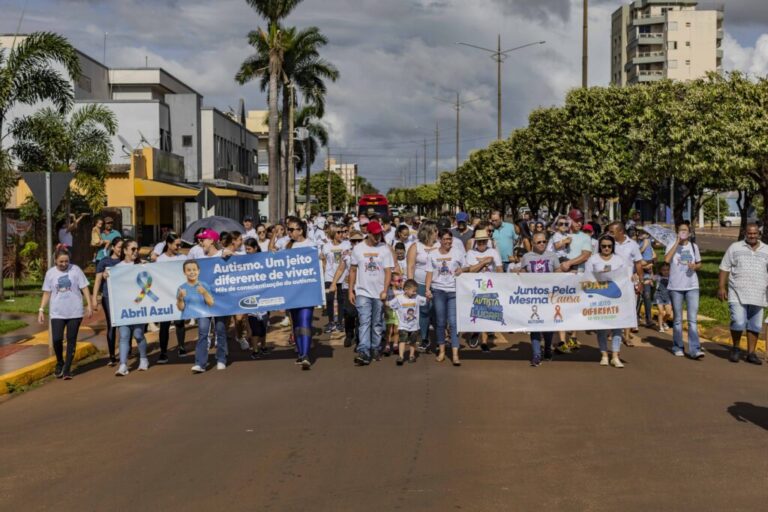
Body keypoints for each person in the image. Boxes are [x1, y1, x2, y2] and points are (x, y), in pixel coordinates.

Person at [718, 223, 768, 364]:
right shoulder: (735, 247)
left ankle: (751, 353)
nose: (752, 236)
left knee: (755, 325)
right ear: (745, 233)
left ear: (759, 234)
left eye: (755, 233)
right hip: (737, 293)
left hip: (759, 294)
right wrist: (721, 287)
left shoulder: (766, 249)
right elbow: (724, 267)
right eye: (749, 233)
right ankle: (736, 348)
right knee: (738, 322)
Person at [39, 248, 93, 380]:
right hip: (57, 313)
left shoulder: (76, 270)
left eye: (66, 261)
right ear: (55, 261)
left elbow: (84, 287)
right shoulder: (50, 273)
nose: (64, 264)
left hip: (75, 312)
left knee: (71, 340)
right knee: (57, 339)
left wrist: (89, 305)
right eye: (61, 262)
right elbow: (47, 292)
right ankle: (60, 362)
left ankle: (67, 369)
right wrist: (41, 309)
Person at [349, 220, 394, 366]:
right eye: (374, 235)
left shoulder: (384, 249)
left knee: (377, 322)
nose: (377, 237)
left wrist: (385, 290)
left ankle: (375, 347)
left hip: (379, 292)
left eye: (379, 234)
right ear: (368, 233)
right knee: (364, 321)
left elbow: (388, 272)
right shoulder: (358, 249)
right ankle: (363, 351)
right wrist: (351, 290)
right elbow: (353, 270)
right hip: (362, 291)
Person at [516, 231, 561, 366]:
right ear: (533, 243)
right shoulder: (527, 257)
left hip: (549, 296)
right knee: (534, 325)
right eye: (539, 242)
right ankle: (536, 354)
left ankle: (547, 348)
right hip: (533, 297)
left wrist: (571, 275)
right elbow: (523, 274)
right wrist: (518, 273)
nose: (542, 244)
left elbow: (559, 273)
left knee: (548, 325)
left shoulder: (552, 256)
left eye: (544, 242)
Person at [586, 235, 629, 368]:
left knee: (617, 327)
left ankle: (615, 356)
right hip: (600, 296)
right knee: (602, 328)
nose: (606, 248)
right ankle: (604, 354)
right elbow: (587, 277)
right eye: (604, 246)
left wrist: (633, 277)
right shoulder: (593, 259)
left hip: (616, 297)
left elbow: (625, 275)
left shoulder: (619, 260)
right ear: (600, 246)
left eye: (609, 246)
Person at [424, 229, 464, 366]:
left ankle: (455, 354)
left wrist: (462, 270)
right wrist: (427, 289)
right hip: (438, 290)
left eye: (450, 239)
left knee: (453, 323)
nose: (448, 241)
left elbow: (466, 267)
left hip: (454, 291)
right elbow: (429, 273)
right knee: (440, 322)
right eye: (445, 239)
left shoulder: (457, 252)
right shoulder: (432, 254)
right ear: (439, 240)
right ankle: (441, 351)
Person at [664, 223, 703, 358]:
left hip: (692, 286)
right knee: (678, 320)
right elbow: (666, 259)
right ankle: (677, 346)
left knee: (692, 320)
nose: (683, 232)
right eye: (681, 230)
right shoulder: (671, 245)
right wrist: (677, 243)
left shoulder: (693, 246)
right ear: (677, 232)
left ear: (689, 233)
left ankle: (695, 349)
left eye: (685, 230)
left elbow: (699, 263)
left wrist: (695, 267)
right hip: (676, 287)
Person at [463, 229, 502, 352]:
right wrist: (484, 262)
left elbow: (499, 269)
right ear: (476, 242)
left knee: (486, 312)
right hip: (474, 286)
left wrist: (500, 283)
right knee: (476, 311)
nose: (482, 244)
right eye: (479, 242)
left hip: (490, 285)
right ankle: (476, 331)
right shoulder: (470, 253)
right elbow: (470, 270)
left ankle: (484, 341)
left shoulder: (493, 252)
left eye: (484, 241)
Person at [285, 218, 317, 370]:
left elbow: (318, 265)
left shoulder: (311, 245)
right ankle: (300, 353)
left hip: (307, 290)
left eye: (292, 229)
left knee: (305, 320)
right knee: (297, 323)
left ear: (301, 230)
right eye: (289, 229)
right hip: (292, 291)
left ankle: (305, 355)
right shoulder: (288, 246)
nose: (290, 232)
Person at [114, 239, 149, 376]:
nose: (136, 251)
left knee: (138, 334)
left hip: (139, 307)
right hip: (123, 307)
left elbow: (149, 283)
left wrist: (148, 267)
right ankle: (123, 365)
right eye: (132, 249)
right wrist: (107, 275)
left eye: (137, 249)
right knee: (124, 335)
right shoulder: (117, 268)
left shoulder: (142, 265)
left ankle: (144, 359)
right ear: (125, 251)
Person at [607, 221, 644, 345]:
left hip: (628, 281)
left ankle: (627, 336)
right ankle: (612, 331)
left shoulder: (632, 245)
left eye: (612, 232)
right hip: (613, 281)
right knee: (613, 307)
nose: (609, 234)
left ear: (621, 232)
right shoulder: (608, 244)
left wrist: (640, 281)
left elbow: (638, 263)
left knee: (628, 308)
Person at [407, 221, 439, 353]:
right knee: (424, 310)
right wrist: (410, 284)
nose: (437, 233)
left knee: (437, 311)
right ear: (428, 232)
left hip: (437, 283)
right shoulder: (415, 246)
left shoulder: (439, 245)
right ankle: (424, 337)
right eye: (435, 230)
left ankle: (440, 339)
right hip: (420, 283)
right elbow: (410, 266)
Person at [155, 234, 188, 364]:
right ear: (168, 244)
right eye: (176, 244)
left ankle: (181, 347)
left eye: (180, 244)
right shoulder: (160, 260)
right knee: (164, 325)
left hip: (179, 295)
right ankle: (163, 352)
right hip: (165, 296)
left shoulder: (183, 258)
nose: (179, 247)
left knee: (179, 322)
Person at [329, 230, 365, 347]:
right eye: (354, 241)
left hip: (362, 288)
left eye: (359, 240)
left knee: (361, 314)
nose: (357, 243)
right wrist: (334, 283)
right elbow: (340, 269)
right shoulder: (347, 254)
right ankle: (349, 334)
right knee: (349, 312)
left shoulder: (366, 253)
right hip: (347, 286)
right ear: (350, 242)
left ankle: (359, 338)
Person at [92, 237, 124, 366]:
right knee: (112, 324)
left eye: (123, 247)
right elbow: (98, 281)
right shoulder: (104, 261)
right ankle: (112, 355)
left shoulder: (126, 261)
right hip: (108, 296)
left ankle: (125, 350)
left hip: (123, 297)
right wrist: (94, 298)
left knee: (125, 324)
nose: (121, 250)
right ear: (113, 247)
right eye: (119, 247)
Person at [389, 279, 428, 366]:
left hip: (414, 325)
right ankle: (401, 356)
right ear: (406, 290)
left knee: (413, 341)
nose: (415, 293)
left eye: (416, 291)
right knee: (402, 340)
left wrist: (429, 297)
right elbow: (390, 304)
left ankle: (411, 356)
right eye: (413, 291)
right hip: (403, 325)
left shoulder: (417, 297)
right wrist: (384, 301)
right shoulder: (399, 298)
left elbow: (425, 300)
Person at [243, 238, 270, 359]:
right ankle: (255, 350)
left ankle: (263, 346)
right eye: (246, 249)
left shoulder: (263, 259)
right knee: (254, 327)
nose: (247, 251)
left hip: (263, 297)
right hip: (250, 298)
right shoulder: (243, 261)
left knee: (263, 327)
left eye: (249, 249)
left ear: (255, 248)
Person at [322, 225, 350, 333]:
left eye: (342, 232)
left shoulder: (346, 244)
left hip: (342, 275)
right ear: (333, 233)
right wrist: (324, 271)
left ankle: (339, 322)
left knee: (341, 299)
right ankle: (330, 322)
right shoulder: (326, 246)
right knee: (329, 299)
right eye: (338, 232)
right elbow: (323, 260)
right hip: (329, 276)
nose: (341, 234)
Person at [654, 263, 673, 332]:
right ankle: (660, 327)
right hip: (659, 295)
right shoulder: (658, 277)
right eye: (664, 270)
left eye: (667, 270)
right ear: (660, 271)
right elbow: (650, 278)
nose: (666, 271)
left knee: (668, 313)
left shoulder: (672, 277)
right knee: (661, 311)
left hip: (668, 296)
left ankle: (663, 322)